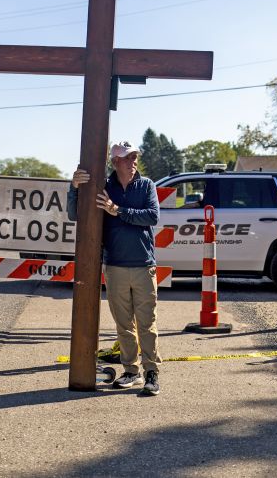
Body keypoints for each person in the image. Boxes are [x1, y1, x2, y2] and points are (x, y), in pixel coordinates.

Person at [66, 141, 162, 395]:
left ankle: (152, 373)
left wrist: (118, 211)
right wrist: (74, 187)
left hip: (144, 265)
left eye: (134, 157)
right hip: (115, 266)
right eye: (127, 157)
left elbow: (152, 216)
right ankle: (131, 371)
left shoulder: (147, 185)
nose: (133, 161)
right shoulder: (104, 187)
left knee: (147, 323)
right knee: (124, 325)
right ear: (115, 162)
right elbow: (75, 214)